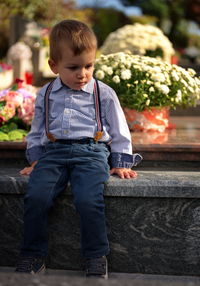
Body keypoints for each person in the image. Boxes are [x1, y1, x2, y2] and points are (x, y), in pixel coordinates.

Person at [15, 19, 142, 278]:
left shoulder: (103, 93)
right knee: (37, 197)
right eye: (73, 67)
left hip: (92, 152)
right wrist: (36, 158)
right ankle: (33, 254)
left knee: (87, 199)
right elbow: (37, 130)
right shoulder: (46, 94)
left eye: (88, 65)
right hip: (54, 153)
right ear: (54, 66)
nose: (82, 73)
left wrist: (120, 161)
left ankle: (96, 255)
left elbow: (119, 129)